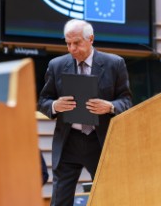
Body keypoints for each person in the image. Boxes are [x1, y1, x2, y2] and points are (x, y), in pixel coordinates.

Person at [37, 19, 132, 206]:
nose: (72, 48)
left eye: (77, 43)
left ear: (91, 39)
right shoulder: (56, 65)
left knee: (109, 197)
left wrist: (110, 106)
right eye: (68, 43)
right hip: (68, 141)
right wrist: (55, 105)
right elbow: (42, 102)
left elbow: (126, 101)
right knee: (59, 201)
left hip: (100, 141)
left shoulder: (114, 64)